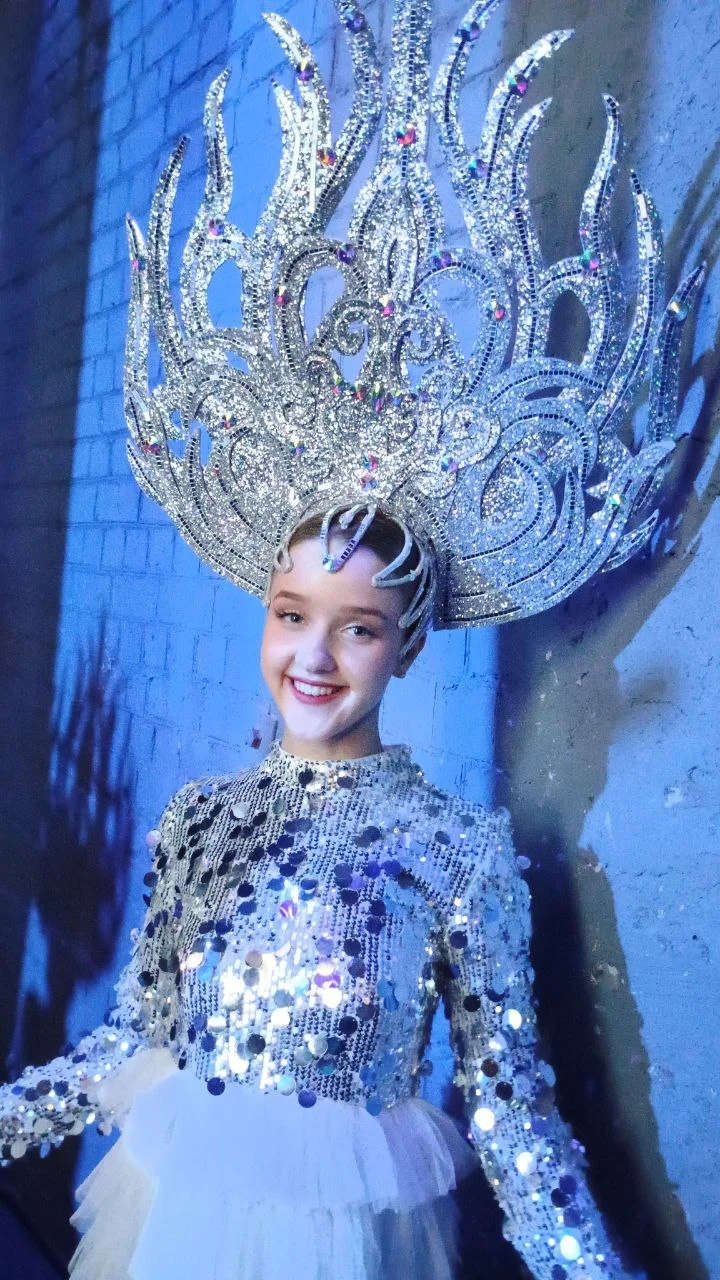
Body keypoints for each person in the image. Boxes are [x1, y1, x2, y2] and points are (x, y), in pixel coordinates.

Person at [1, 0, 701, 1275]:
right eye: (292, 615)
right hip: (176, 1220)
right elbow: (129, 1042)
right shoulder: (199, 821)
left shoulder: (454, 851)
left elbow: (512, 1113)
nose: (314, 657)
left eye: (360, 627)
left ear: (407, 645)